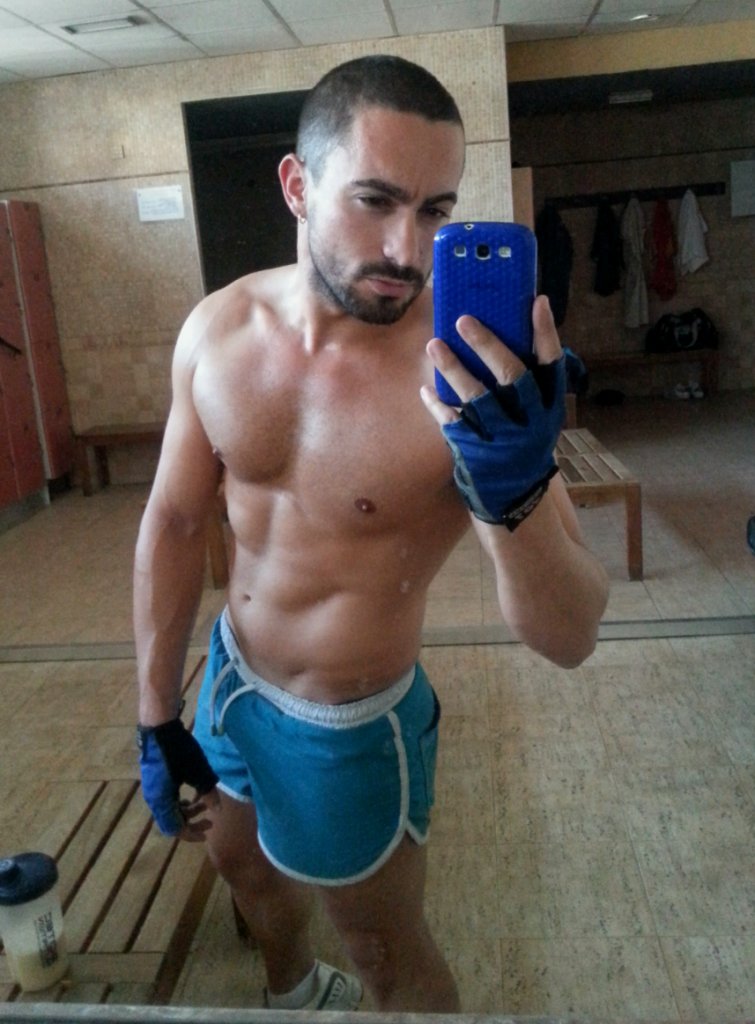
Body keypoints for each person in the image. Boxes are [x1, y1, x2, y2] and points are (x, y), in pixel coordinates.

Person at [134, 54, 609, 1013]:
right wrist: (154, 711)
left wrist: (513, 486)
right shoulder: (218, 329)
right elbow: (176, 519)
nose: (406, 248)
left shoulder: (464, 372)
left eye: (435, 211)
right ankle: (293, 990)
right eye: (375, 200)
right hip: (230, 677)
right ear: (296, 186)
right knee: (240, 866)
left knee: (385, 953)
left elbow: (570, 635)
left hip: (347, 722)